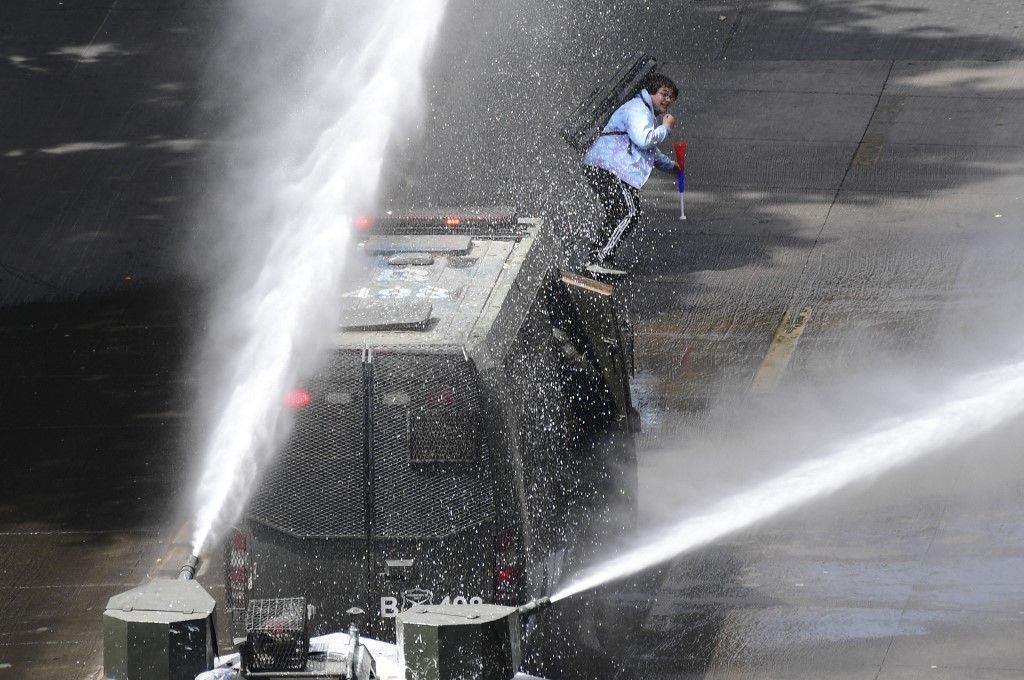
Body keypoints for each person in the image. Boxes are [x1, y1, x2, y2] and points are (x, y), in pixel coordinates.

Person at [581, 73, 679, 277]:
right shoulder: (638, 109)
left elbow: (646, 150)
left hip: (604, 166)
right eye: (664, 94)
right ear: (652, 92)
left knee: (619, 212)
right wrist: (666, 128)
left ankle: (599, 257)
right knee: (629, 212)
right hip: (607, 166)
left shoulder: (644, 111)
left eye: (671, 97)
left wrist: (670, 166)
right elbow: (645, 140)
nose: (667, 100)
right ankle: (598, 259)